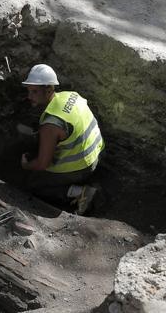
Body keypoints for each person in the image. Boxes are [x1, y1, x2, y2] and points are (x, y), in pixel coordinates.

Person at [20, 64, 104, 214]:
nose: (29, 96)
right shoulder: (71, 95)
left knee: (33, 184)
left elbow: (41, 164)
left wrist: (26, 165)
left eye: (34, 92)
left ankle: (81, 192)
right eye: (29, 91)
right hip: (97, 154)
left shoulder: (51, 124)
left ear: (49, 90)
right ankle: (85, 180)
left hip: (82, 166)